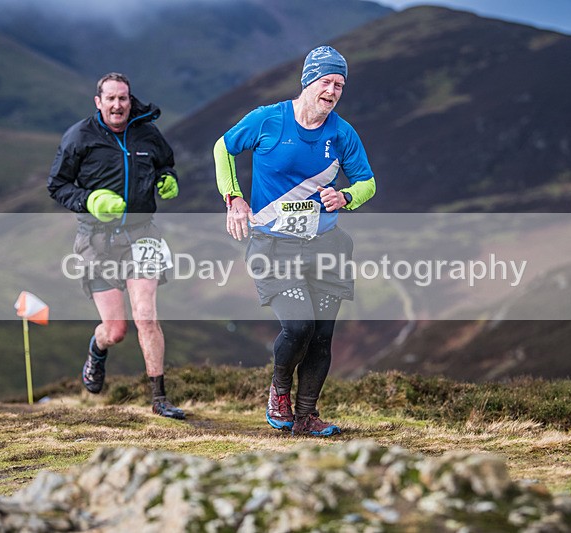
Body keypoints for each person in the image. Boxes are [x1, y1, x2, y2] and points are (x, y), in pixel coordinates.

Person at [213, 46, 376, 436]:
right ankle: (279, 393)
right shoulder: (268, 120)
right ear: (308, 81)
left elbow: (368, 182)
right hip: (274, 246)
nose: (333, 91)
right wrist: (234, 198)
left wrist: (347, 197)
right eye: (326, 82)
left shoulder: (342, 133)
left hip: (326, 245)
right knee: (299, 326)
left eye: (340, 84)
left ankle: (306, 416)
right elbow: (224, 147)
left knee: (321, 336)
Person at [48, 72, 185, 419]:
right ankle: (97, 349)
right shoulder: (80, 137)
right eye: (110, 98)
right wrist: (90, 200)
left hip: (142, 235)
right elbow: (58, 185)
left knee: (146, 317)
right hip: (98, 239)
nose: (117, 104)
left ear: (129, 99)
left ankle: (159, 399)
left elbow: (165, 163)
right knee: (117, 330)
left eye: (123, 98)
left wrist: (168, 179)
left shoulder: (146, 132)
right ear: (99, 102)